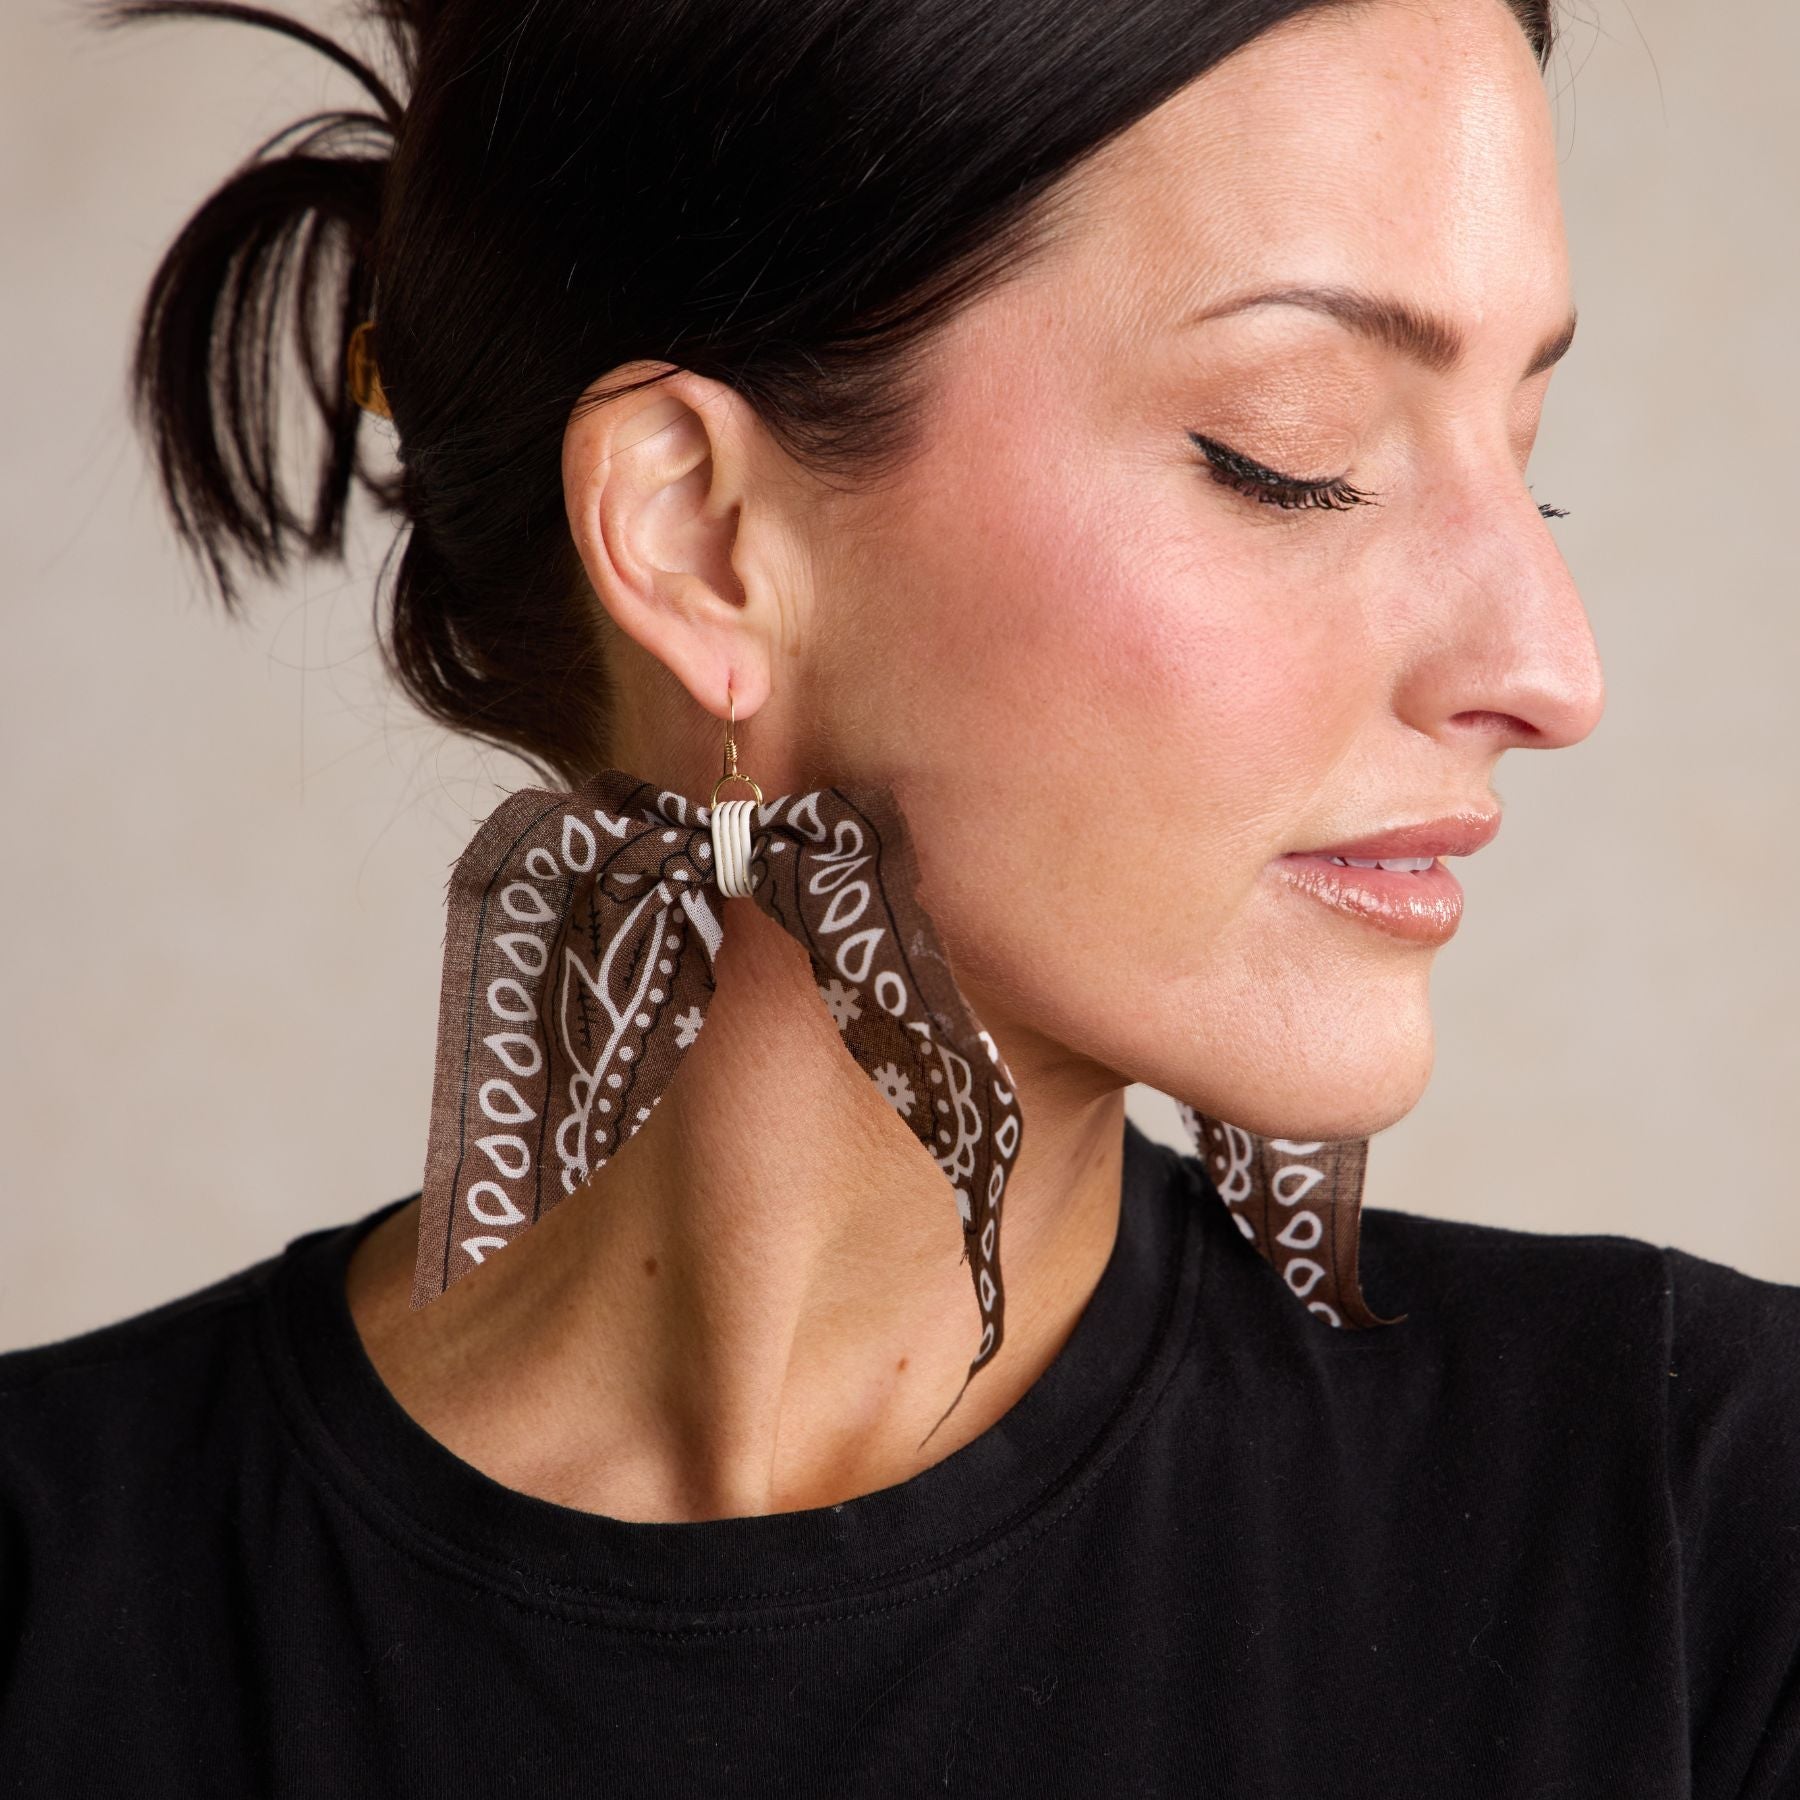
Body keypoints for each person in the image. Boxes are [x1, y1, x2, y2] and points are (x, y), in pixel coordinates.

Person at [3, 0, 1796, 1792]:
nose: (1550, 669)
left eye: (1526, 460)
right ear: (703, 537)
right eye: (1297, 451)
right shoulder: (59, 1618)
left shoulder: (1709, 1537)